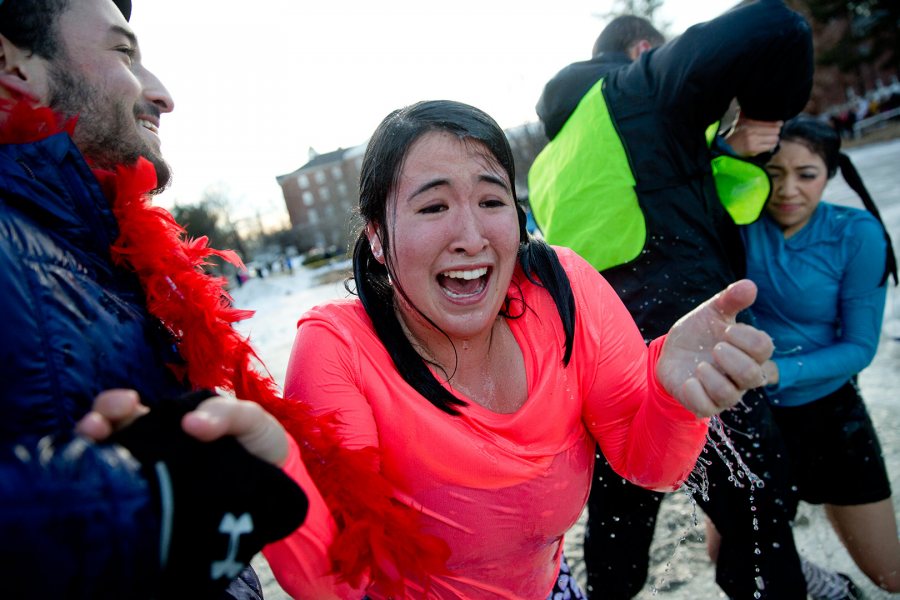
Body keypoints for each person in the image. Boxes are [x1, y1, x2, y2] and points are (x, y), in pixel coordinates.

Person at [258, 99, 776, 599]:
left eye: (491, 201)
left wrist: (672, 397)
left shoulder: (563, 292)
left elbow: (649, 465)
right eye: (434, 206)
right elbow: (334, 584)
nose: (471, 236)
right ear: (376, 236)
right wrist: (276, 468)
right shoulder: (339, 349)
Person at [0, 0, 308, 597]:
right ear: (11, 64)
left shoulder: (96, 251)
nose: (163, 95)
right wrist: (142, 505)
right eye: (123, 52)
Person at [526, 2, 814, 598]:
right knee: (759, 522)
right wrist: (761, 119)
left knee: (617, 536)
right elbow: (778, 25)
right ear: (643, 50)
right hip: (693, 356)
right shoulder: (640, 87)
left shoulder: (550, 161)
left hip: (604, 370)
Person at [735, 115, 899, 597]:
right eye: (773, 174)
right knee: (732, 559)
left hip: (830, 415)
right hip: (755, 415)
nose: (788, 190)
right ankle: (822, 583)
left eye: (806, 174)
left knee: (891, 575)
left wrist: (775, 371)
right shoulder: (738, 225)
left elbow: (860, 348)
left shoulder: (857, 234)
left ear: (829, 173)